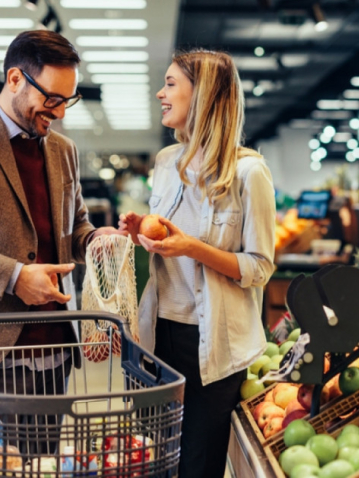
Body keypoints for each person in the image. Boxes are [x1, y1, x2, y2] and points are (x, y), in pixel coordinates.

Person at [119, 49, 275, 478]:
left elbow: (260, 267)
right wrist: (139, 232)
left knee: (198, 466)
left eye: (170, 84)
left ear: (202, 93)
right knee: (158, 461)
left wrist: (193, 248)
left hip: (215, 341)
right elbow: (166, 239)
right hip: (160, 333)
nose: (160, 93)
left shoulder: (248, 172)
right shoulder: (166, 163)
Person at [0, 30, 124, 454]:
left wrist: (97, 241)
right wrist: (15, 276)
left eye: (66, 101)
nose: (61, 113)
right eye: (52, 98)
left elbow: (75, 227)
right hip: (4, 348)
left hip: (54, 345)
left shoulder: (63, 151)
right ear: (15, 79)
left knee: (43, 462)